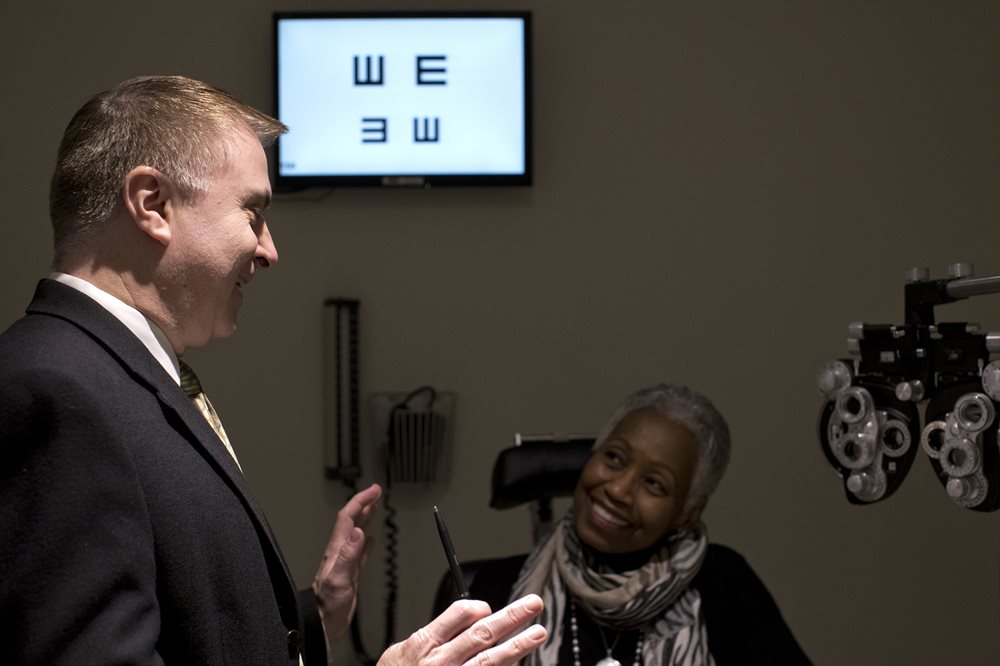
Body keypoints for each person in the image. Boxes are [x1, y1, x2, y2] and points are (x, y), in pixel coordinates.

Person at [0, 75, 546, 665]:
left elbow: (178, 619)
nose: (269, 249)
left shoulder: (115, 373)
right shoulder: (54, 389)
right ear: (153, 204)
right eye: (253, 212)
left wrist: (311, 613)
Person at [460, 384, 810, 665]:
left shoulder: (725, 584)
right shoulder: (496, 588)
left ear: (687, 512)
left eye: (654, 483)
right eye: (613, 458)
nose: (617, 490)